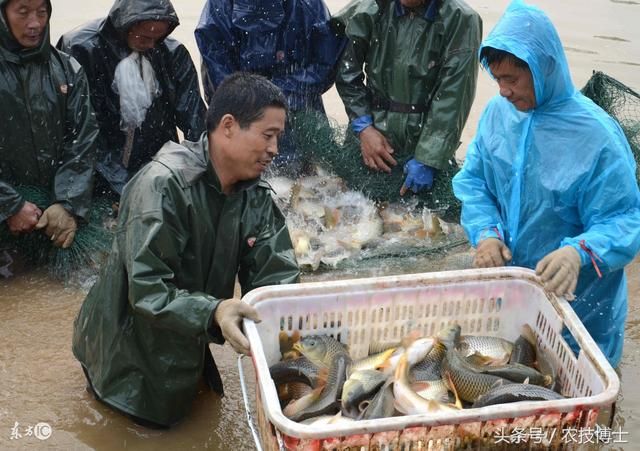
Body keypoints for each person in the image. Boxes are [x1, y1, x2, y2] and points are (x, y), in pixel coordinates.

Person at [72, 72, 300, 429]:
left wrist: (295, 336)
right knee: (145, 425)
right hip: (125, 348)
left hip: (187, 333)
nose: (275, 149)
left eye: (278, 138)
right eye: (267, 136)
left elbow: (277, 281)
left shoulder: (253, 194)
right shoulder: (162, 185)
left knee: (198, 407)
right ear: (228, 126)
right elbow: (147, 290)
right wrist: (214, 312)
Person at [452, 0, 640, 367]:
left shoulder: (598, 137)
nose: (503, 91)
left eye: (512, 79)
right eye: (498, 79)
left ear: (543, 69)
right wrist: (487, 233)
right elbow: (474, 182)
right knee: (515, 374)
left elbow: (625, 219)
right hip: (517, 292)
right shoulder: (496, 115)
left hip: (582, 305)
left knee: (578, 395)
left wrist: (580, 252)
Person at [57, 0, 206, 197]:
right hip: (99, 170)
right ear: (125, 24)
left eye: (158, 37)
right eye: (145, 37)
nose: (151, 45)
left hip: (156, 165)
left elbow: (194, 118)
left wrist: (207, 166)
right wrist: (124, 184)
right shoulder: (82, 48)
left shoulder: (171, 53)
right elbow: (83, 129)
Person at [334, 0, 482, 196]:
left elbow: (454, 95)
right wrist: (363, 128)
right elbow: (346, 73)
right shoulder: (368, 9)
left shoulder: (461, 19)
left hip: (422, 138)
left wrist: (429, 157)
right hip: (371, 137)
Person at [194, 0, 344, 174]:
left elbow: (324, 65)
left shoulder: (307, 6)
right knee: (243, 174)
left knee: (309, 178)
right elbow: (218, 73)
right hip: (244, 106)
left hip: (298, 104)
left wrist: (280, 95)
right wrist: (250, 100)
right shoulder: (220, 7)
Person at [0, 0, 98, 249]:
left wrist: (66, 203)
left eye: (42, 13)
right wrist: (10, 205)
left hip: (46, 213)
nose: (35, 23)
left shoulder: (67, 69)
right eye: (23, 12)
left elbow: (82, 140)